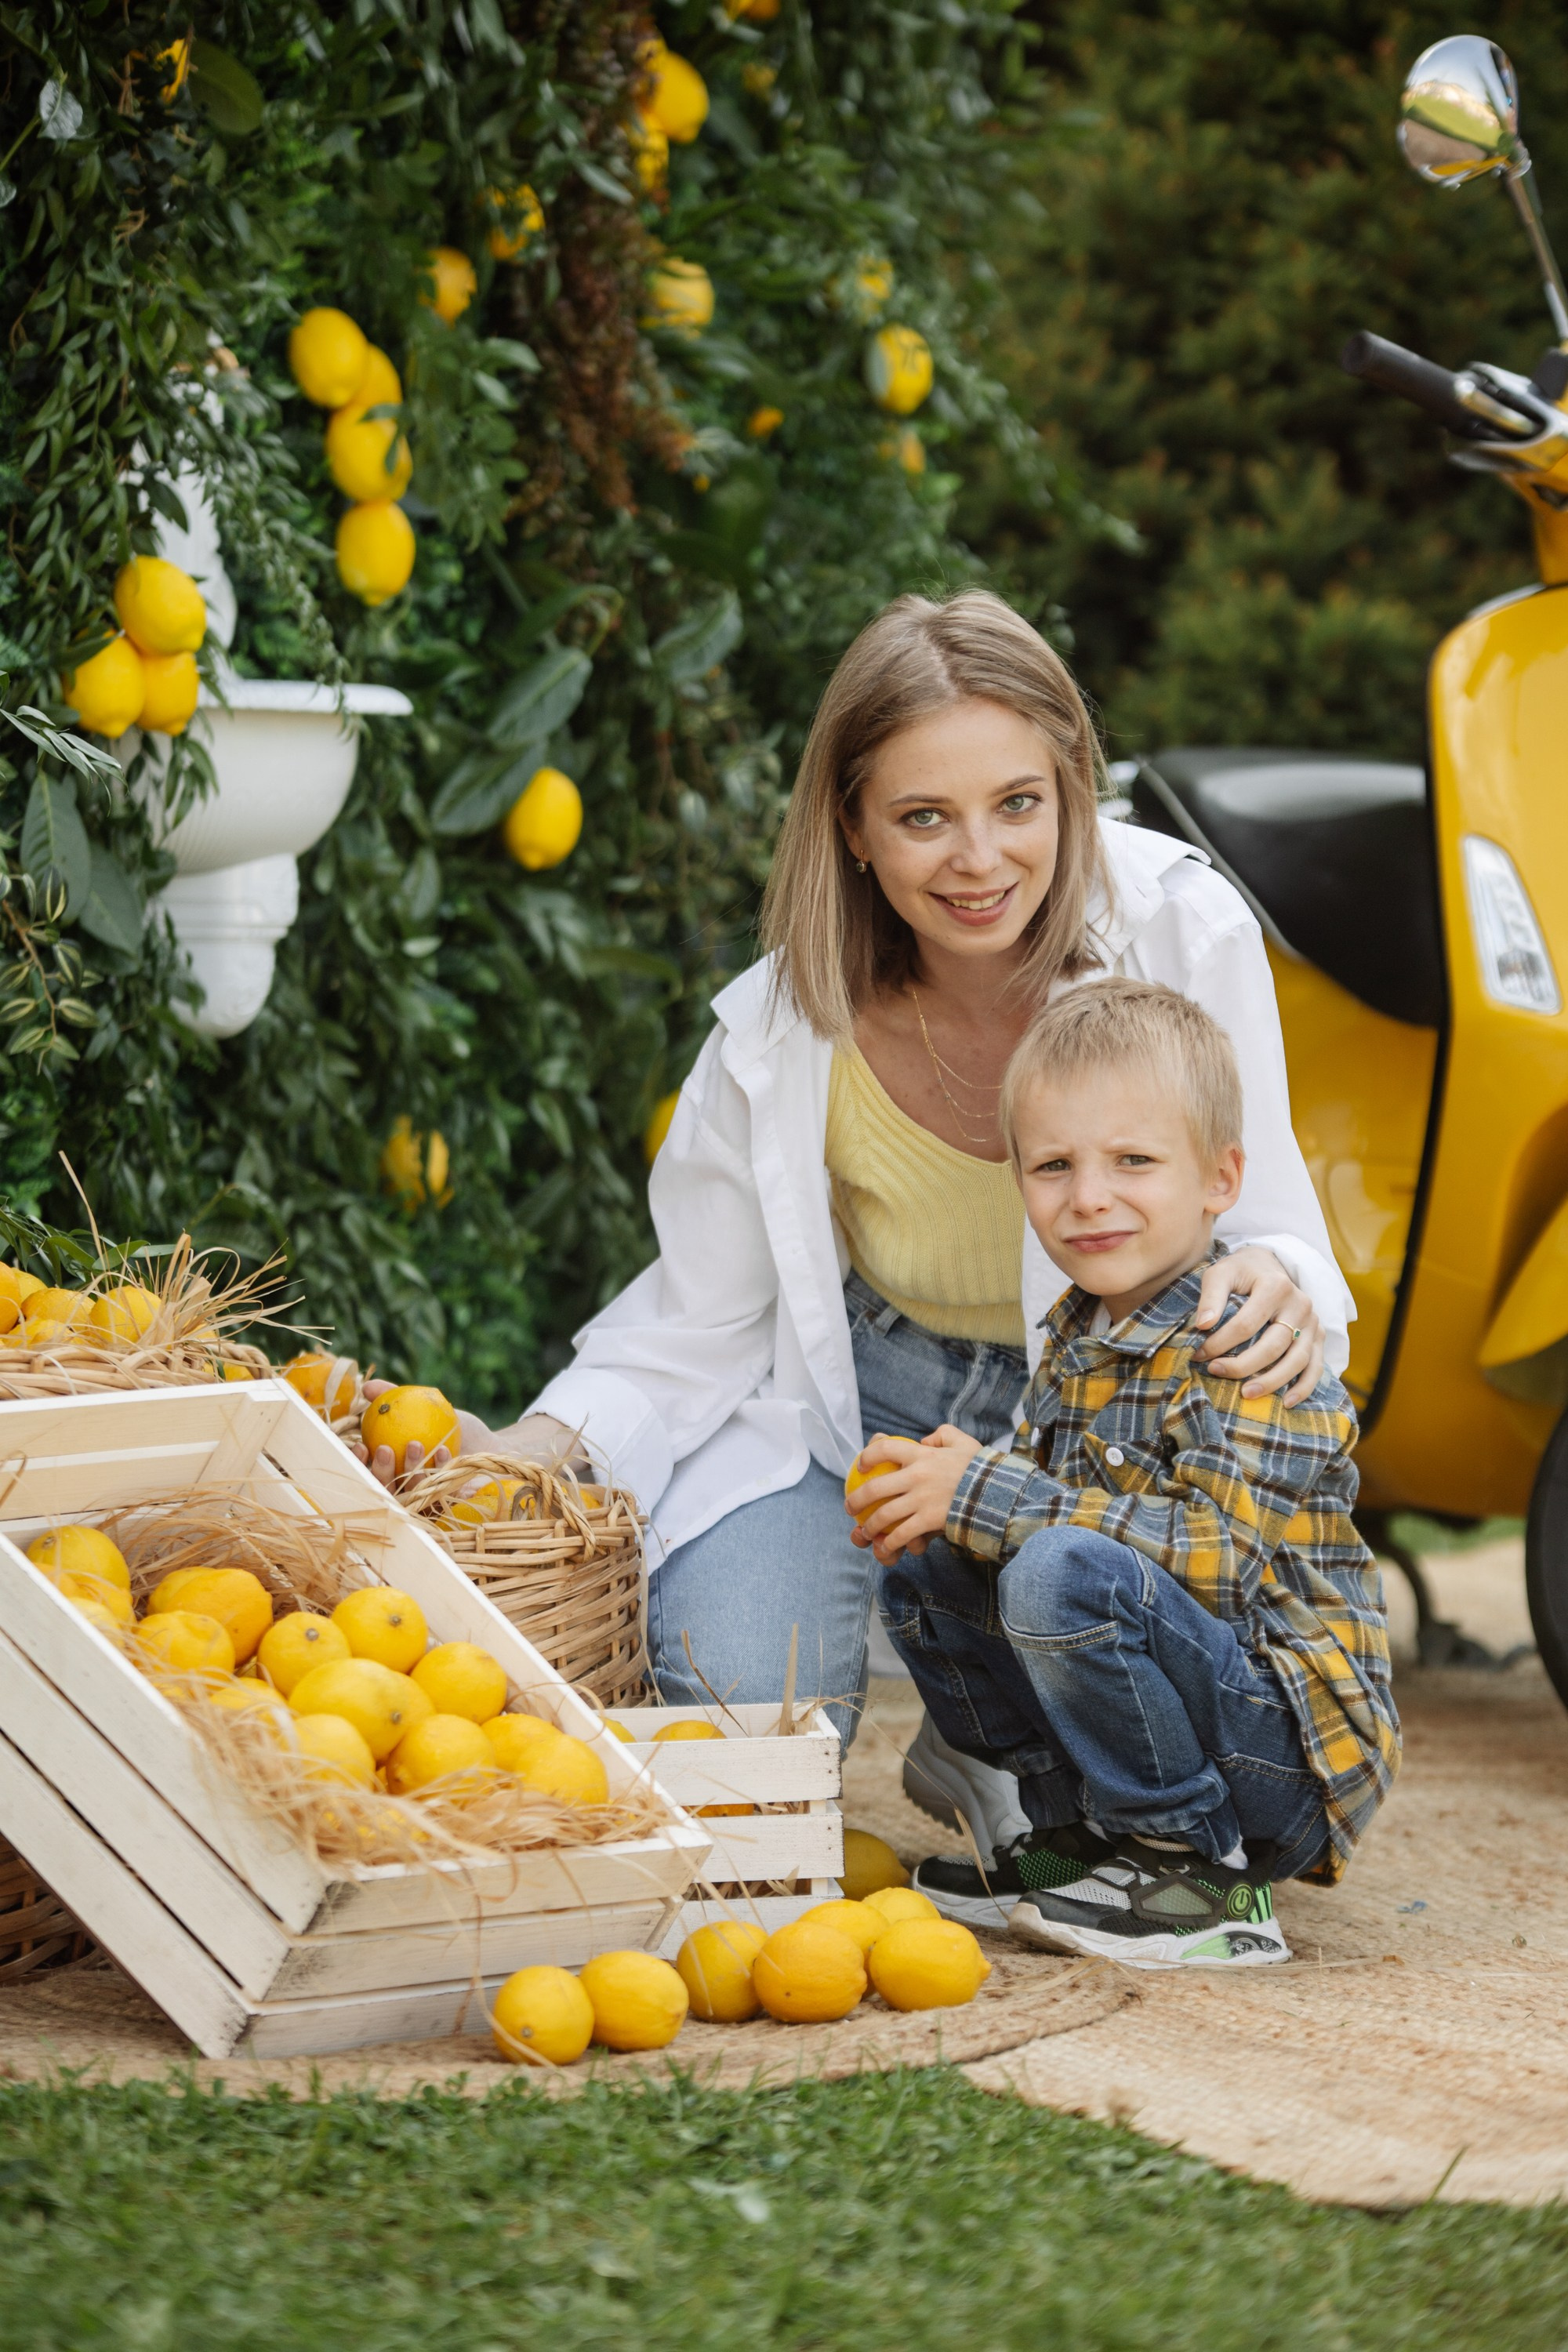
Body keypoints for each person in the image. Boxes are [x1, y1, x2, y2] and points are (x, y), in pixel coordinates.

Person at [466, 589, 1352, 1809]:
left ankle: (998, 1727)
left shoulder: (1180, 927)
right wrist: (545, 1449)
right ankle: (984, 1698)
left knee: (1164, 1725)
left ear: (1072, 787)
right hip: (867, 1407)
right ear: (854, 827)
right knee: (747, 1725)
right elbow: (697, 1323)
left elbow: (1266, 1216)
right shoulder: (778, 1028)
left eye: (1018, 806)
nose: (981, 861)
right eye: (924, 817)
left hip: (1113, 1411)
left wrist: (1283, 1284)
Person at [856, 978, 1397, 1969]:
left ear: (1219, 1178)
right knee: (930, 1562)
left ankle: (1196, 1873)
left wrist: (988, 1493)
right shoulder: (1076, 1334)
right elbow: (1042, 1499)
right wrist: (948, 1484)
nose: (1088, 1197)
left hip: (1281, 1754)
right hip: (1178, 1710)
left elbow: (1210, 1564)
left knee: (1055, 1571)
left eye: (1132, 1162)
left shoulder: (1243, 1344)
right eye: (1052, 1165)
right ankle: (1080, 1843)